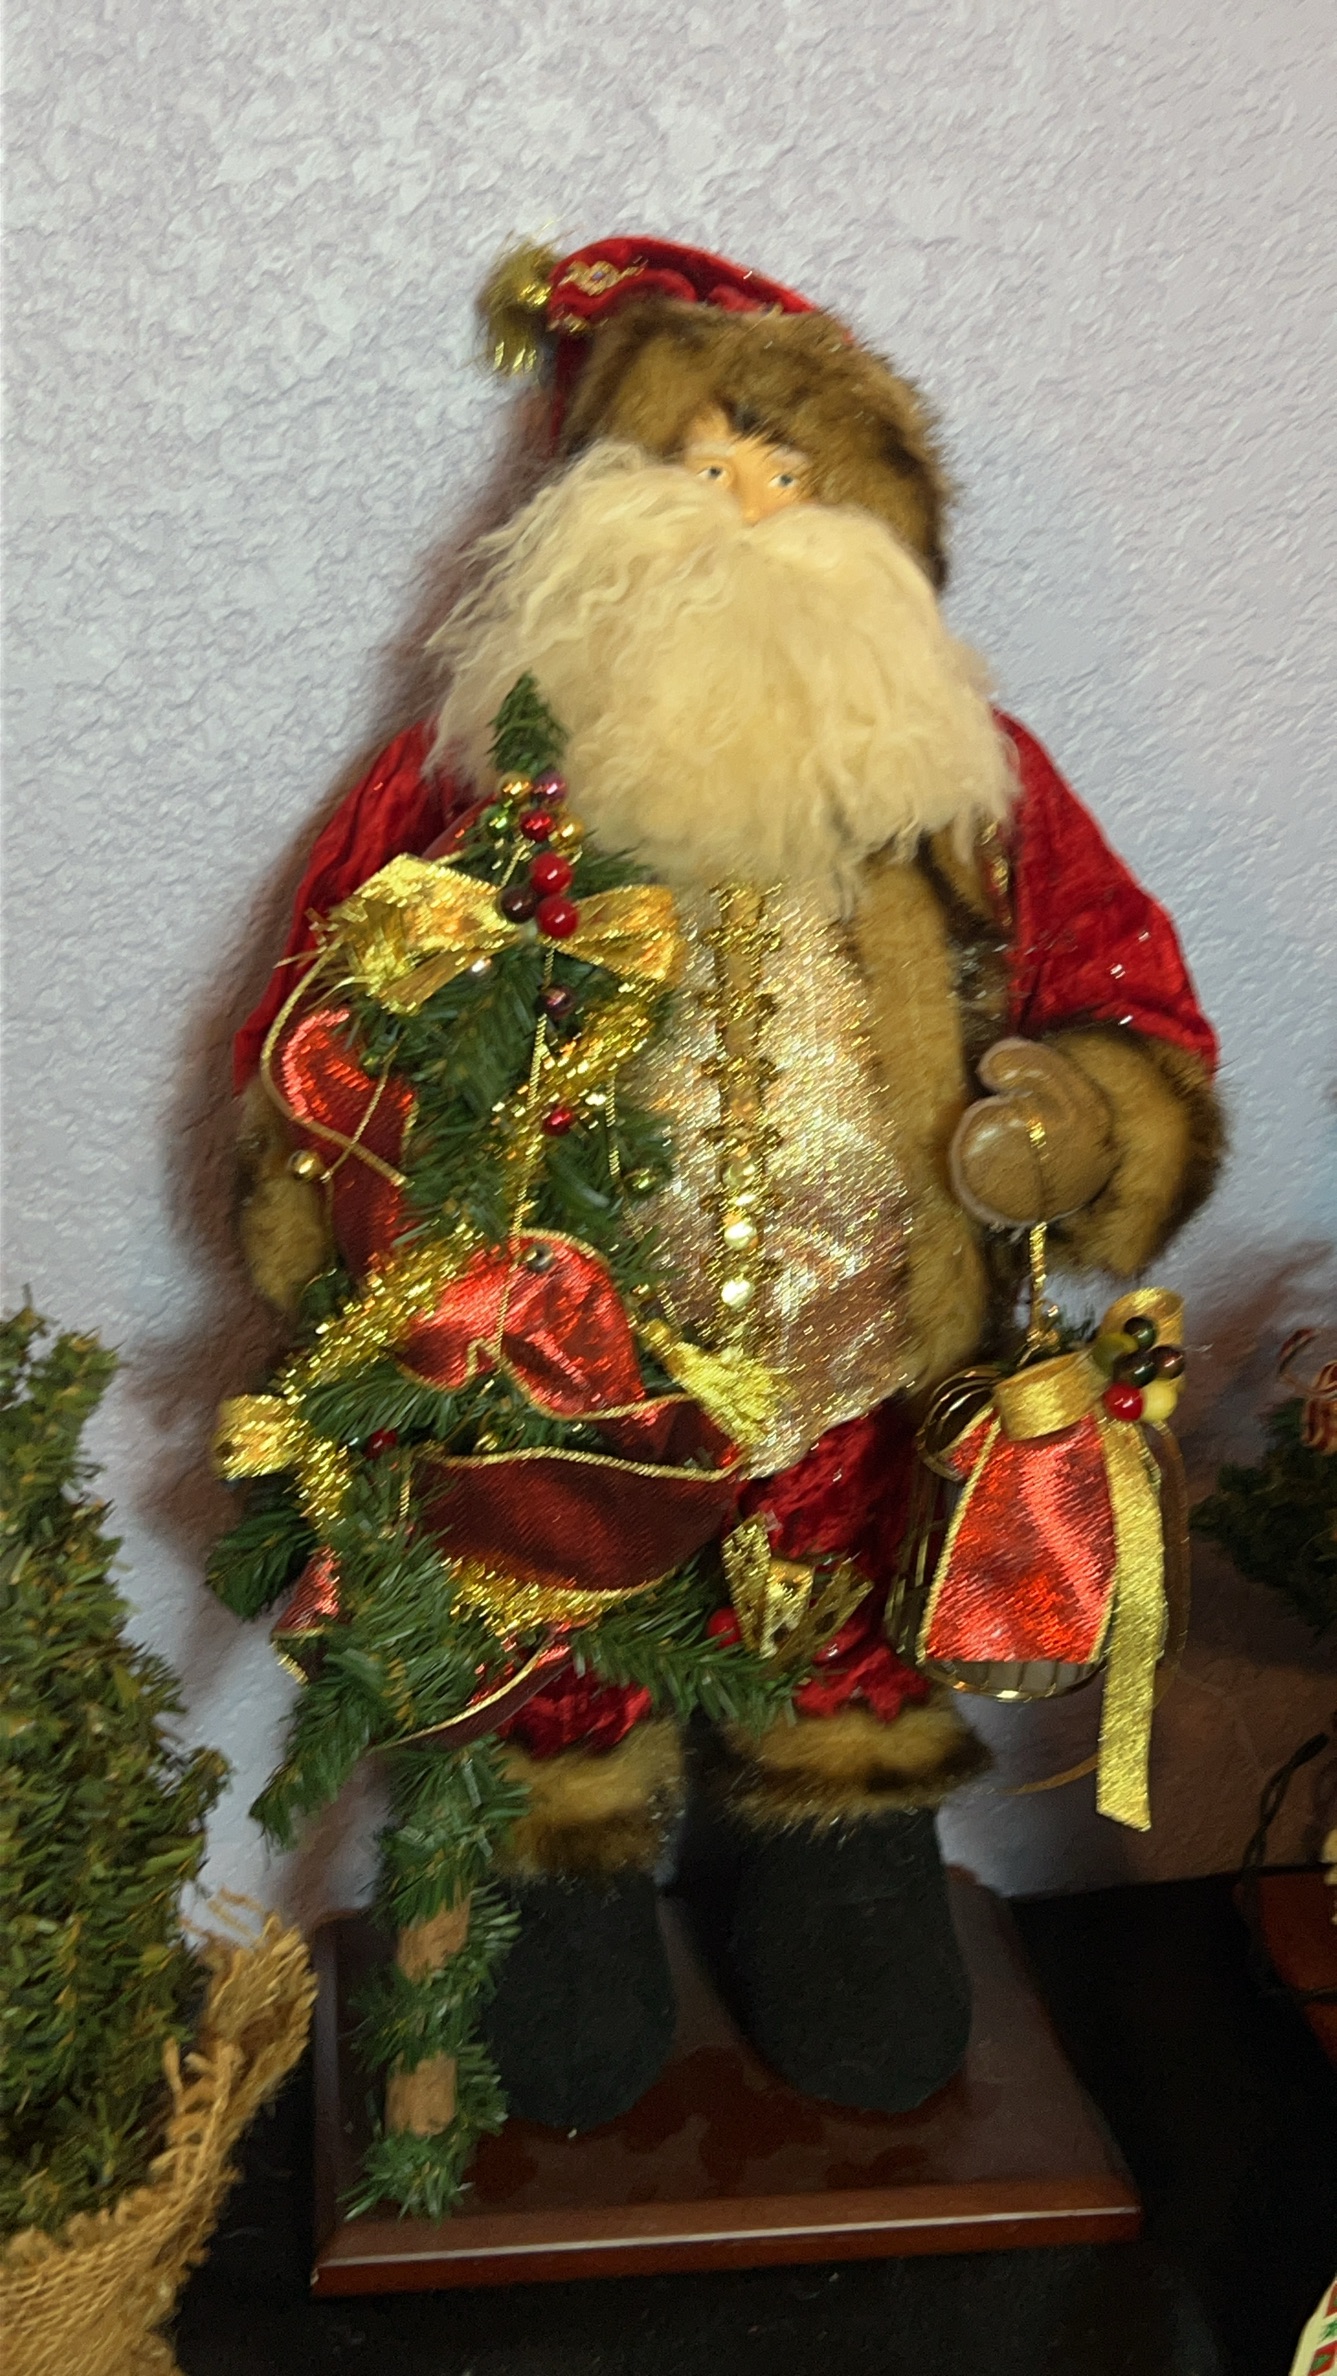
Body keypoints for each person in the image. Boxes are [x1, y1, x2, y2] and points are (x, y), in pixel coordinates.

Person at [233, 237, 1221, 2128]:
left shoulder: (967, 789)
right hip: (565, 1380)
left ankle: (839, 1848)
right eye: (703, 468)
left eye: (794, 476)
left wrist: (1085, 1122)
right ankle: (562, 1879)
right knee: (545, 1634)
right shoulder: (482, 785)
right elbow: (318, 1017)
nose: (751, 513)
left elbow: (1120, 990)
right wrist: (342, 1228)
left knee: (843, 1654)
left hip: (869, 1370)